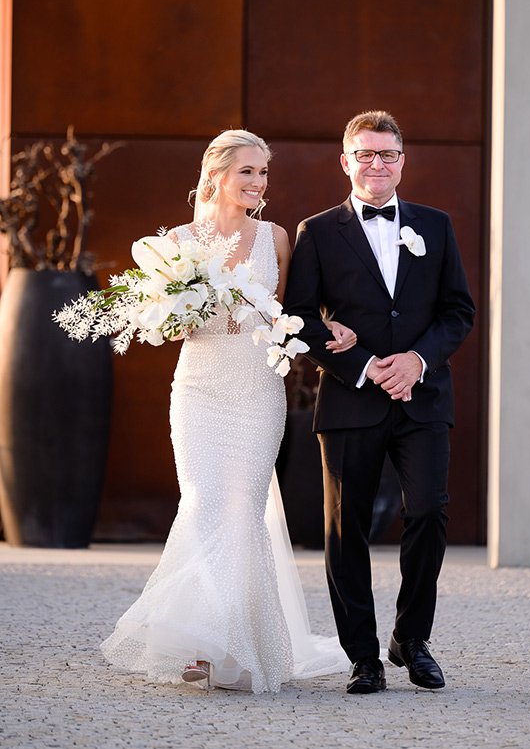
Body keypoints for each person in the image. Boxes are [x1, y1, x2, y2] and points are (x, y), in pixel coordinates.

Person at [101, 130, 352, 692]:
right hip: (199, 389)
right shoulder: (177, 242)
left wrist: (329, 326)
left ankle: (227, 642)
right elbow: (166, 327)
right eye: (248, 172)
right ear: (216, 174)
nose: (258, 184)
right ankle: (205, 644)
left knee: (241, 511)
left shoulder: (277, 238)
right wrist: (182, 307)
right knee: (206, 503)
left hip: (257, 391)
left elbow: (295, 313)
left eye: (264, 173)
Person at [283, 110, 475, 694]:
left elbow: (457, 312)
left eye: (387, 154)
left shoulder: (436, 226)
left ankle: (411, 641)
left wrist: (417, 361)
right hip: (350, 399)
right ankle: (363, 656)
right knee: (347, 530)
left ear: (401, 161)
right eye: (365, 154)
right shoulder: (316, 232)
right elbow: (298, 320)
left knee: (428, 513)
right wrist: (365, 365)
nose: (377, 164)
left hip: (423, 396)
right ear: (346, 162)